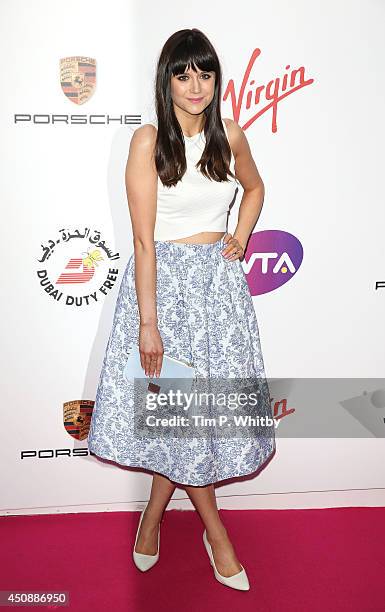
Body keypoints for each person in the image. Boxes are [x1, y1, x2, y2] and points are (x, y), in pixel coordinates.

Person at [87, 28, 275, 591]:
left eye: (205, 73)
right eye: (183, 74)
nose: (196, 86)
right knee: (180, 420)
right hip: (164, 294)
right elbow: (143, 241)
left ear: (217, 79)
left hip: (219, 298)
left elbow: (256, 188)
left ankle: (151, 518)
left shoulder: (230, 135)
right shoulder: (148, 142)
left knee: (194, 423)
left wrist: (238, 236)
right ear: (166, 80)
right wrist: (149, 325)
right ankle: (217, 535)